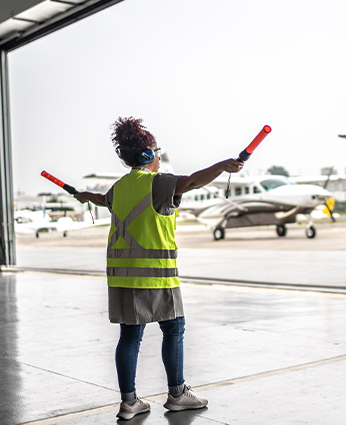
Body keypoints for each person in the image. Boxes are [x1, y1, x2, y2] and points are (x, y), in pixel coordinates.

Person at [74, 117, 243, 420]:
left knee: (129, 337)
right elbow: (191, 181)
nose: (160, 155)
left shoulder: (119, 187)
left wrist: (85, 196)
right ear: (148, 155)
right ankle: (177, 394)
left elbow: (103, 200)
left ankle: (129, 403)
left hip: (122, 278)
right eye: (157, 150)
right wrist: (221, 166)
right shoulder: (158, 182)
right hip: (156, 275)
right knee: (173, 328)